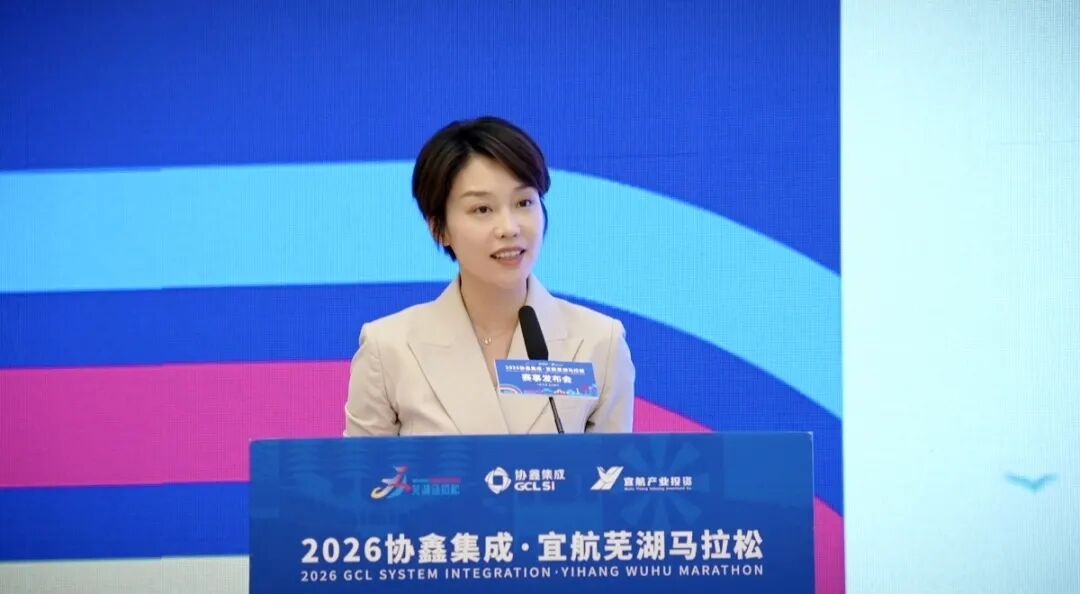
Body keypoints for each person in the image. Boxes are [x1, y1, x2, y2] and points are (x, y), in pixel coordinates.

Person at [344, 116, 634, 436]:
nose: (509, 228)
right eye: (482, 209)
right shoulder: (388, 348)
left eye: (524, 202)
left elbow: (614, 467)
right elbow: (361, 468)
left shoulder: (599, 342)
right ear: (439, 229)